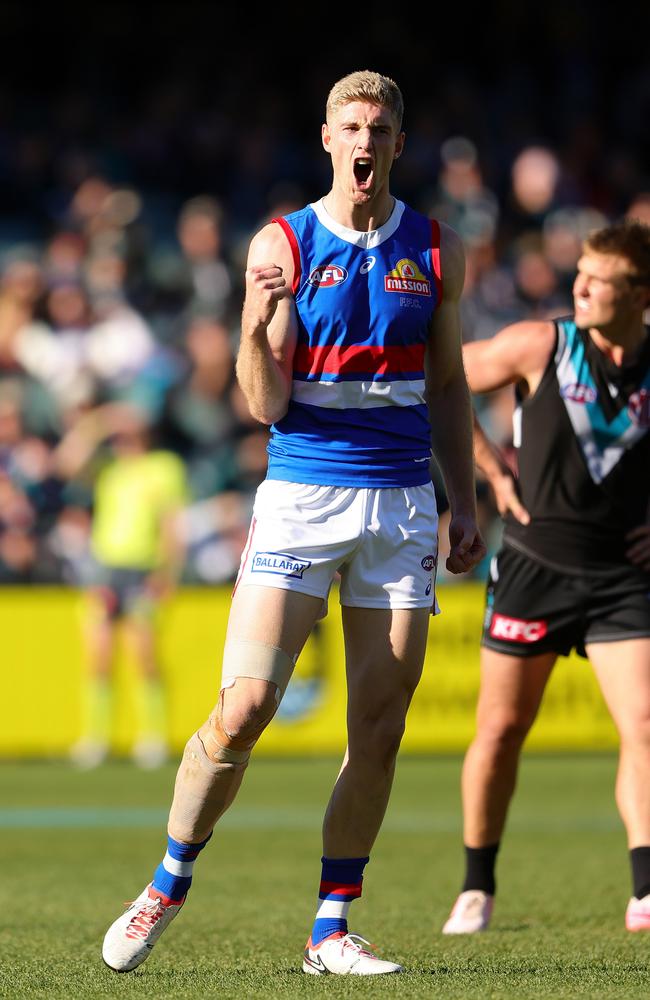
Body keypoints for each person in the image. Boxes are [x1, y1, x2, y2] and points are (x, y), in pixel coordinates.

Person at [102, 69, 485, 976]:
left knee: (380, 728)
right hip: (302, 498)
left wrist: (463, 499)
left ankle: (330, 929)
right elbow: (267, 402)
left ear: (399, 141)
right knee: (244, 710)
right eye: (351, 125)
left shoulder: (436, 249)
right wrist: (258, 322)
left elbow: (451, 384)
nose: (366, 140)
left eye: (381, 127)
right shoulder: (281, 243)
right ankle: (166, 881)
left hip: (399, 505)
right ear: (327, 138)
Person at [442, 220, 650, 935]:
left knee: (645, 725)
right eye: (581, 272)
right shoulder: (544, 344)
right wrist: (489, 468)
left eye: (601, 279)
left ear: (641, 296)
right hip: (533, 568)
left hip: (626, 577)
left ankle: (646, 890)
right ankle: (477, 885)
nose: (581, 286)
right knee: (501, 730)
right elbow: (442, 376)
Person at [55, 403, 188, 768]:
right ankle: (96, 738)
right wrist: (100, 422)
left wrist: (167, 573)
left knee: (143, 654)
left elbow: (172, 524)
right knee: (98, 654)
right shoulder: (108, 468)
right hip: (105, 570)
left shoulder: (163, 467)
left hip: (142, 570)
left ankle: (153, 736)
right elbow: (65, 462)